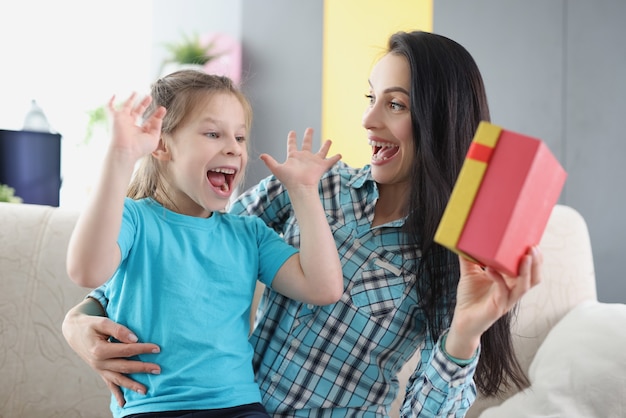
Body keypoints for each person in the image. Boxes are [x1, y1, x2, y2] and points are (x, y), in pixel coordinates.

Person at [62, 31, 543, 417]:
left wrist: (464, 335)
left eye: (394, 104)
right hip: (223, 403)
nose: (368, 118)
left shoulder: (454, 254)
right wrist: (78, 324)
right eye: (370, 97)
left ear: (440, 119)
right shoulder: (315, 184)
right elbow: (193, 252)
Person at [64, 70, 344, 418]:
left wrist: (303, 192)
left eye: (240, 138)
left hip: (238, 406)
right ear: (162, 145)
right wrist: (120, 157)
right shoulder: (135, 220)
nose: (233, 147)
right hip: (152, 408)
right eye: (213, 133)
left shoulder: (249, 234)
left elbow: (324, 287)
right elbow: (85, 269)